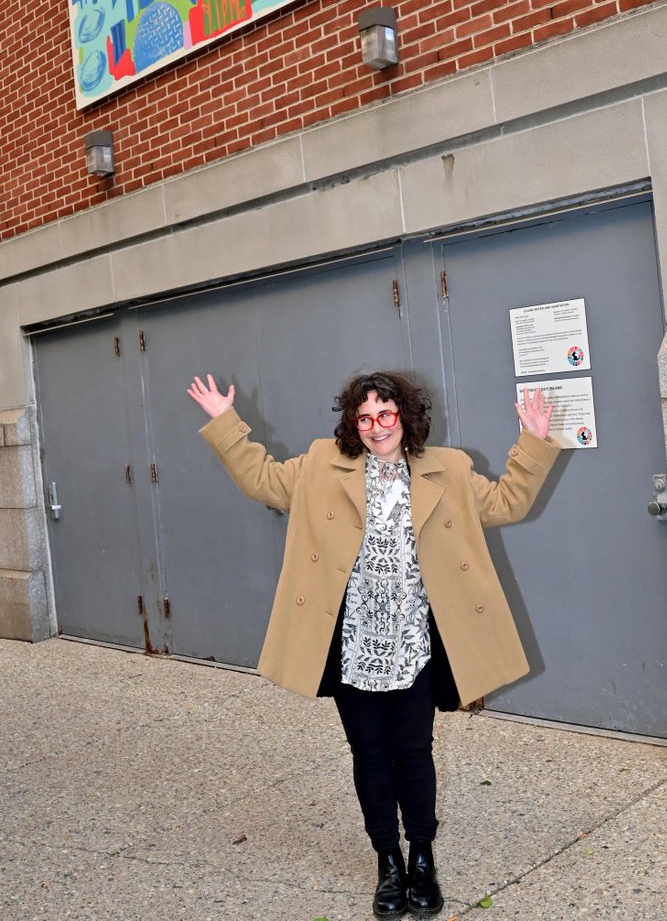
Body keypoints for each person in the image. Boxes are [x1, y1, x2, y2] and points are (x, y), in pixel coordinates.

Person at [188, 369, 558, 919]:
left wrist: (533, 440)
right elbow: (263, 481)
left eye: (386, 414)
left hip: (415, 642)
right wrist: (226, 423)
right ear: (352, 424)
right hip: (353, 642)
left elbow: (506, 503)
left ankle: (423, 857)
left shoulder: (448, 468)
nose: (376, 426)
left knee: (413, 750)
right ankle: (388, 860)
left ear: (404, 418)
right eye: (365, 417)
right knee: (368, 753)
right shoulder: (320, 465)